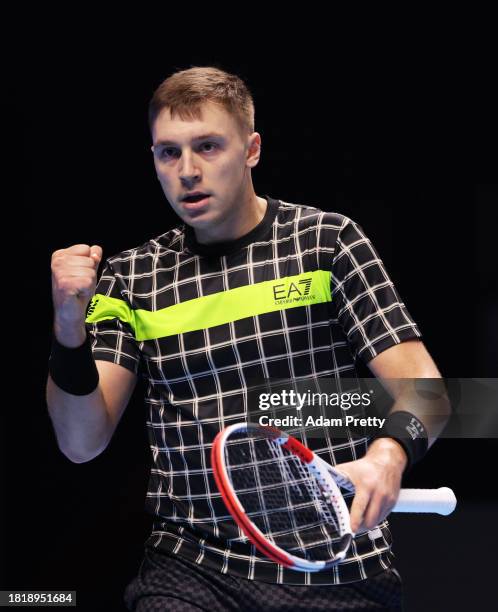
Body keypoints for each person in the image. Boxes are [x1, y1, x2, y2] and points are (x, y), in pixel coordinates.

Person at [47, 66, 451, 611]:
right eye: (169, 153)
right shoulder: (130, 278)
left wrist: (389, 454)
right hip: (191, 568)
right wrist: (68, 330)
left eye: (208, 146)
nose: (187, 171)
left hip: (335, 566)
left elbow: (428, 392)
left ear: (251, 149)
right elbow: (80, 442)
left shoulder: (327, 243)